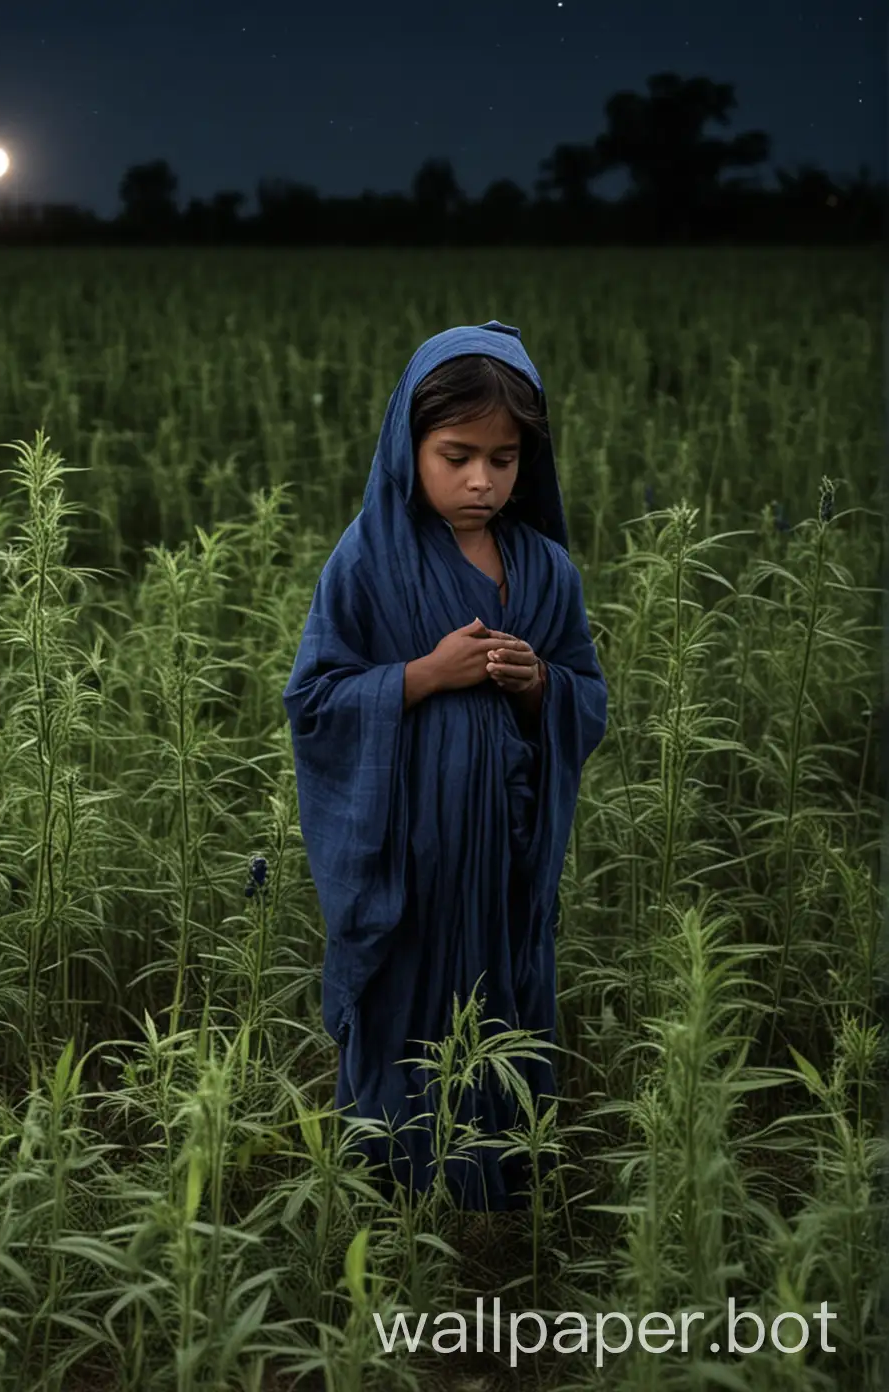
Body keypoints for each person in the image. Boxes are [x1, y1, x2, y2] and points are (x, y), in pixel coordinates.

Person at [282, 321, 607, 1209]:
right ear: (408, 443)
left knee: (503, 997)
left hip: (504, 855)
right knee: (410, 1006)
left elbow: (589, 693)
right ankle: (393, 1180)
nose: (480, 481)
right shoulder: (369, 561)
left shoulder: (545, 571)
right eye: (456, 454)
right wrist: (424, 676)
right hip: (410, 862)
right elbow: (314, 701)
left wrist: (540, 684)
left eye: (504, 460)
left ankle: (500, 1175)